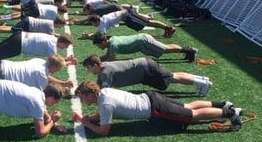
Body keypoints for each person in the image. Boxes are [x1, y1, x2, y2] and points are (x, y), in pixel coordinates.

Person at [72, 80, 242, 136]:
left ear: (89, 94)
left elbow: (104, 131)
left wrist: (87, 124)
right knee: (187, 106)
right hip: (151, 97)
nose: (82, 101)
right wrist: (88, 118)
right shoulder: (105, 92)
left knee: (191, 115)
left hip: (155, 109)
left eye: (82, 97)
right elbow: (102, 114)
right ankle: (222, 104)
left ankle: (230, 113)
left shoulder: (105, 103)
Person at [82, 54, 212, 96]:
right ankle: (201, 79)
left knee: (172, 77)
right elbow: (98, 85)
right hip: (145, 66)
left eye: (88, 68)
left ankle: (203, 84)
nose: (88, 71)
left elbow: (104, 92)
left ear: (95, 66)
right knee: (173, 76)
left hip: (146, 69)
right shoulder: (103, 67)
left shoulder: (105, 72)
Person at [0, 31, 75, 65]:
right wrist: (68, 62)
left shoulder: (52, 38)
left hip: (20, 36)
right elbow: (54, 62)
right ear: (62, 42)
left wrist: (66, 59)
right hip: (19, 44)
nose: (66, 48)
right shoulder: (52, 47)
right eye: (67, 45)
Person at [92, 33, 198, 63]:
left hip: (144, 41)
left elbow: (111, 60)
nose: (98, 46)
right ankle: (187, 49)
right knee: (165, 48)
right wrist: (96, 60)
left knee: (165, 49)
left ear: (103, 41)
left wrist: (98, 64)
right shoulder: (112, 40)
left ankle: (190, 51)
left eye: (98, 44)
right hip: (142, 41)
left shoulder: (113, 45)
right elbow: (107, 56)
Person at [84, 9, 176, 38]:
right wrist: (89, 35)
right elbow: (99, 32)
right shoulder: (102, 19)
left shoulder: (102, 23)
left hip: (127, 16)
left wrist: (88, 36)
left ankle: (169, 28)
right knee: (146, 23)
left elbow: (101, 35)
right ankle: (167, 29)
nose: (92, 25)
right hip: (126, 16)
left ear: (96, 21)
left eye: (92, 23)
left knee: (147, 23)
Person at [0, 16, 65, 40]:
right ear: (58, 23)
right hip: (28, 24)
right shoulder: (50, 26)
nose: (61, 27)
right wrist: (62, 37)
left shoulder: (50, 23)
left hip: (28, 22)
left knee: (12, 28)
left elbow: (53, 34)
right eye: (62, 25)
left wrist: (60, 35)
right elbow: (52, 36)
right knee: (11, 30)